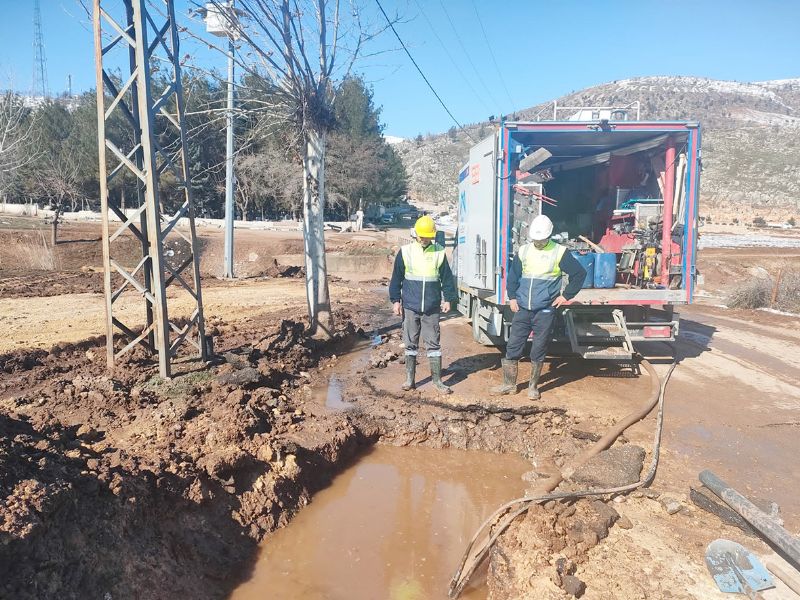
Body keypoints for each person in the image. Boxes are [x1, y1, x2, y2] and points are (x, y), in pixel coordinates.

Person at [490, 214, 587, 399]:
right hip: (523, 308)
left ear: (549, 236)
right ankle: (509, 384)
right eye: (536, 239)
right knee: (513, 345)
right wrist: (512, 297)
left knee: (539, 348)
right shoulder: (524, 251)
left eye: (542, 240)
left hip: (544, 310)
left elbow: (579, 274)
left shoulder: (559, 252)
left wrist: (566, 296)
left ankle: (533, 387)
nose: (539, 243)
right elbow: (513, 276)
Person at [389, 215, 457, 394]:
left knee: (433, 344)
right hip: (410, 306)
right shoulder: (405, 252)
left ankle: (437, 381)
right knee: (410, 343)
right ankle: (409, 380)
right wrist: (395, 300)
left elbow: (447, 279)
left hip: (431, 307)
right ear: (416, 234)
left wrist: (448, 299)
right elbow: (396, 278)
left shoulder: (439, 252)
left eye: (427, 236)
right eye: (422, 236)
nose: (424, 239)